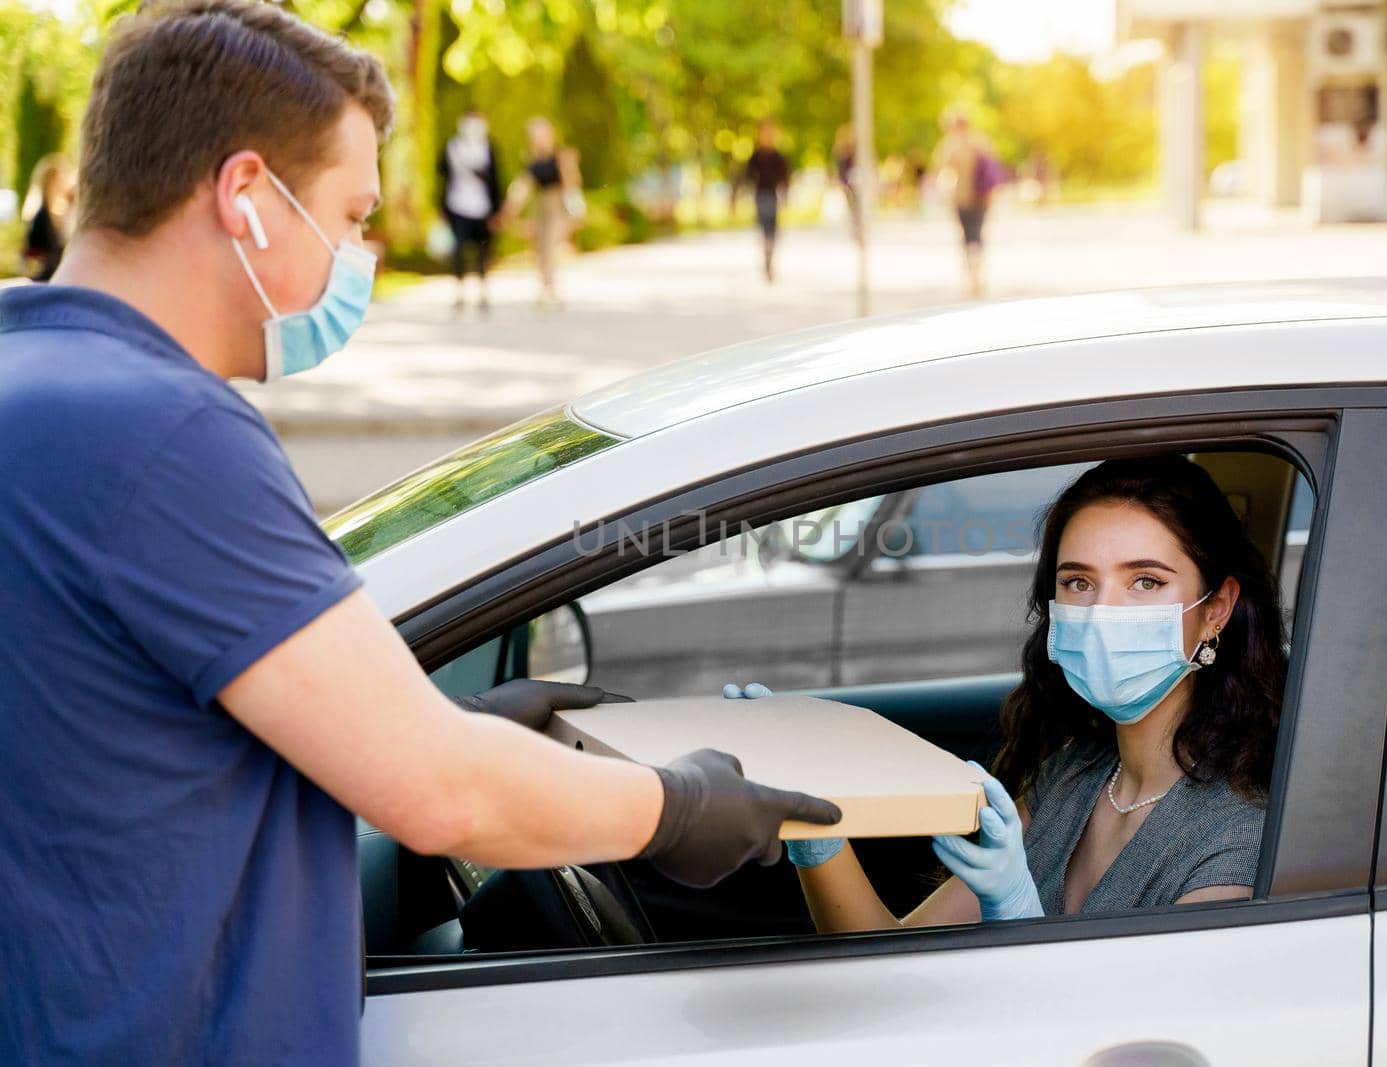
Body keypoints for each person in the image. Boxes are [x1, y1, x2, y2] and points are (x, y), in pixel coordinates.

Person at [0, 3, 838, 1063]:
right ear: (248, 197)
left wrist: (429, 714)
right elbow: (439, 789)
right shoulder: (161, 429)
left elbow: (121, 737)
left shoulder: (32, 379)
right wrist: (678, 808)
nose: (362, 253)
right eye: (350, 217)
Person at [743, 456, 1285, 930]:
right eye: (1078, 583)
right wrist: (819, 831)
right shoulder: (1072, 777)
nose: (1101, 614)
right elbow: (885, 952)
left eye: (1145, 582)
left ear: (1216, 610)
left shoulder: (1240, 834)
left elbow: (1149, 1033)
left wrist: (1021, 916)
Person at [502, 117, 580, 307]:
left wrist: (575, 212)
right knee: (540, 249)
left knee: (550, 248)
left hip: (557, 205)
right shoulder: (533, 162)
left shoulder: (560, 156)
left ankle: (551, 288)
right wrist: (510, 208)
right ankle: (545, 288)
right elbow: (523, 186)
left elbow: (571, 184)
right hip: (541, 207)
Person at [436, 108, 501, 314]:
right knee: (459, 251)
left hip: (483, 208)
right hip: (458, 206)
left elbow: (496, 180)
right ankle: (460, 292)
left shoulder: (489, 148)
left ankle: (483, 291)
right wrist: (442, 207)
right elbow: (442, 177)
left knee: (483, 251)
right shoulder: (452, 147)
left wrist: (497, 211)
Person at [931, 109, 996, 297]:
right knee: (977, 231)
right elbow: (992, 169)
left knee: (967, 233)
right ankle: (977, 270)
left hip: (961, 196)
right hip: (982, 195)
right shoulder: (981, 141)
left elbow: (941, 170)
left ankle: (972, 272)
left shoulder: (950, 145)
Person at [733, 118, 790, 283]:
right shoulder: (755, 156)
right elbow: (747, 177)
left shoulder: (778, 156)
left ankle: (770, 257)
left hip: (773, 196)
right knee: (764, 228)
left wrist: (786, 194)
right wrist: (737, 196)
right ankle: (766, 257)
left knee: (773, 230)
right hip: (760, 196)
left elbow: (785, 178)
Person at [21, 153, 76, 281]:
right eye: (60, 179)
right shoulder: (40, 216)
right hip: (44, 281)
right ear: (50, 182)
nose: (64, 183)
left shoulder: (60, 212)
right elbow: (30, 258)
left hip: (57, 279)